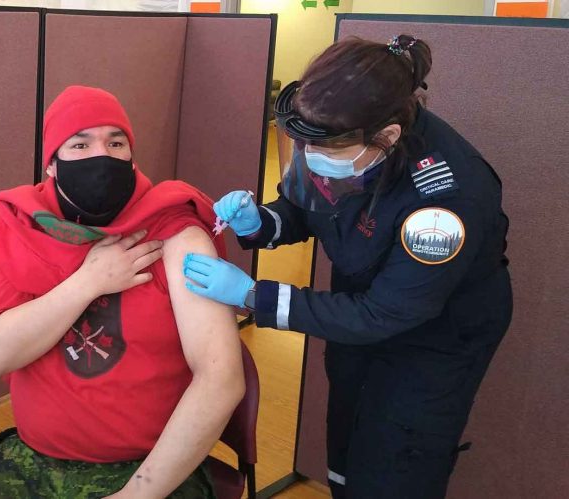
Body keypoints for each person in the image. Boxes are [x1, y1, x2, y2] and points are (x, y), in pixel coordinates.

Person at [183, 35, 512, 498]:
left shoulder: (445, 200)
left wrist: (255, 296)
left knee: (397, 459)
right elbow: (309, 206)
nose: (311, 160)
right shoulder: (335, 138)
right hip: (359, 311)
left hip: (433, 338)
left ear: (388, 137)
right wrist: (262, 223)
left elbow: (385, 313)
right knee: (347, 439)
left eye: (324, 152)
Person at [0, 85, 245, 498]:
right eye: (79, 144)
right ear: (51, 165)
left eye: (116, 142)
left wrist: (135, 496)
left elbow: (221, 378)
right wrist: (89, 282)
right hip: (35, 458)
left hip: (149, 468)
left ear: (132, 156)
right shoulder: (22, 228)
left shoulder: (176, 233)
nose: (102, 156)